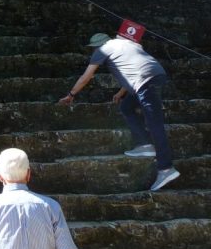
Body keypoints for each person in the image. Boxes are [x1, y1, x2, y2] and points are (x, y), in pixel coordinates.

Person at [59, 32, 179, 191]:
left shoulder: (101, 50)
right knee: (126, 107)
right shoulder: (127, 44)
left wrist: (71, 95)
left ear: (97, 45)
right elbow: (134, 68)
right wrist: (121, 93)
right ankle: (145, 145)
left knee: (154, 123)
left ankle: (166, 168)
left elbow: (86, 76)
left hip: (145, 81)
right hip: (155, 74)